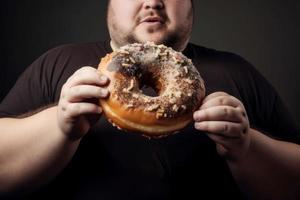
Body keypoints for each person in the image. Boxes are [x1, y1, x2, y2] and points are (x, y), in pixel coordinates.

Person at [0, 0, 300, 199]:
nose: (153, 0)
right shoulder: (59, 63)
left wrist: (246, 147)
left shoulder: (237, 72)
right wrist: (58, 125)